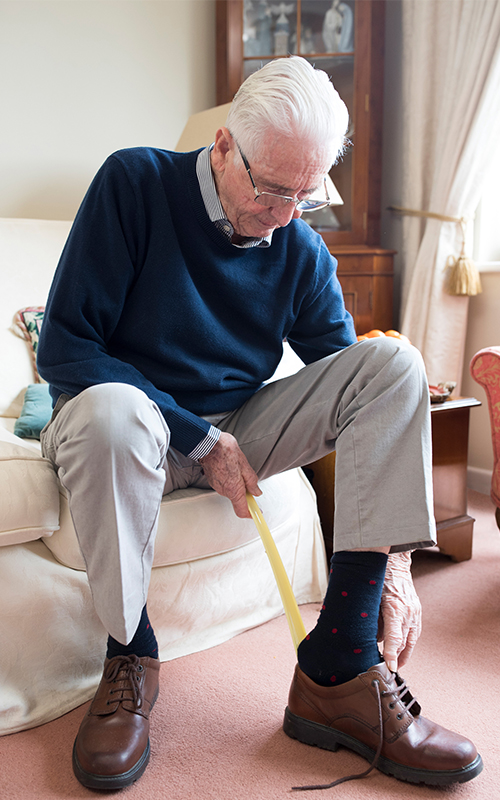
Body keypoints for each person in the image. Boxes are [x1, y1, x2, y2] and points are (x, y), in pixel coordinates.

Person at [36, 56, 482, 791]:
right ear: (221, 146)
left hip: (240, 426)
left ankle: (338, 669)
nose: (284, 215)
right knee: (120, 415)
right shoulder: (135, 184)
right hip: (121, 420)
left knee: (392, 365)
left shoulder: (298, 245)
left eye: (305, 196)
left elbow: (362, 397)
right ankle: (129, 656)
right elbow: (66, 347)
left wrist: (397, 562)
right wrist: (199, 436)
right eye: (272, 189)